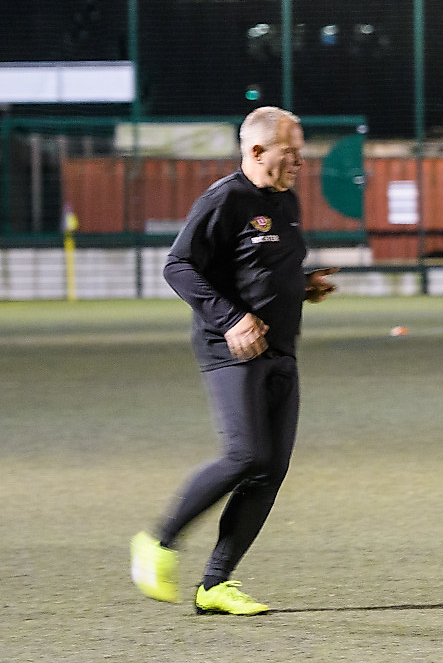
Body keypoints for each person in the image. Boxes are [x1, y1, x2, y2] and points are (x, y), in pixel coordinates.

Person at [130, 106, 337, 616]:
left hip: (281, 350)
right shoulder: (225, 199)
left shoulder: (285, 201)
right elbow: (178, 265)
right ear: (257, 150)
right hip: (232, 350)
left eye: (301, 152)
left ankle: (215, 585)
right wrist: (231, 319)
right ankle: (157, 543)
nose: (301, 161)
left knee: (271, 469)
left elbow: (257, 266)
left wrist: (302, 285)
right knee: (245, 455)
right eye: (291, 152)